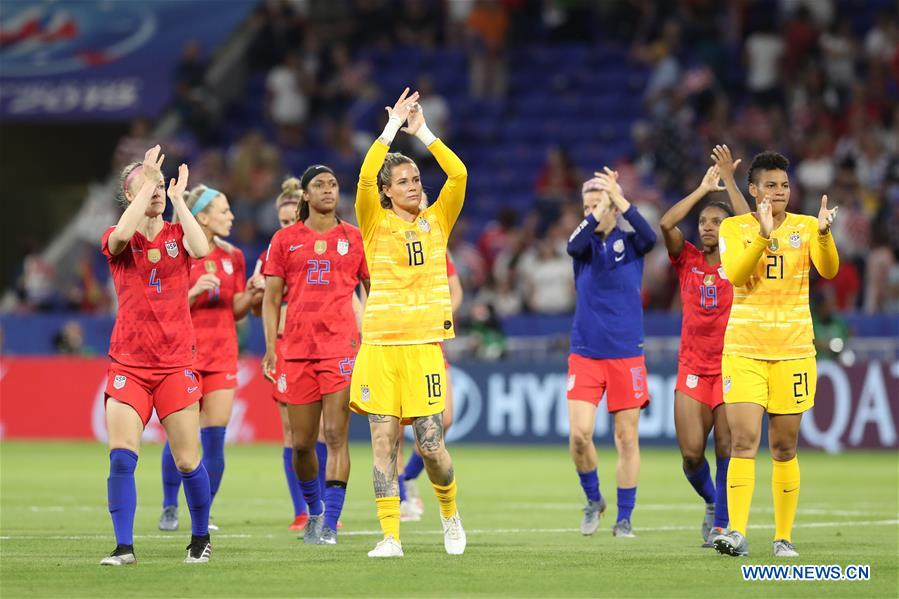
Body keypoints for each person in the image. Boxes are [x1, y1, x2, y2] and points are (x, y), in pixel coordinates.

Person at [350, 88, 467, 558]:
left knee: (431, 445)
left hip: (423, 348)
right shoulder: (373, 223)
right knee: (383, 442)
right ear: (387, 191)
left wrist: (423, 133)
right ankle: (390, 537)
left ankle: (450, 515)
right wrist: (391, 129)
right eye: (403, 181)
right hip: (380, 347)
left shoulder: (438, 220)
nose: (414, 186)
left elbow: (458, 174)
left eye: (416, 178)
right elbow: (364, 176)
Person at [713, 151, 839, 558]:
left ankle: (783, 537)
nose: (780, 191)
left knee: (784, 447)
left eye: (784, 185)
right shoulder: (734, 227)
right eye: (770, 185)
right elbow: (736, 275)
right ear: (753, 190)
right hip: (744, 351)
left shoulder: (806, 226)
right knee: (743, 441)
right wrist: (764, 236)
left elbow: (829, 270)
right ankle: (736, 531)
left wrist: (824, 235)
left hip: (794, 351)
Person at [99, 146, 212, 565]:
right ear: (130, 195)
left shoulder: (178, 235)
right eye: (148, 186)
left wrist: (180, 200)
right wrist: (147, 181)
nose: (157, 191)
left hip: (175, 365)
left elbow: (201, 250)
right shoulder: (118, 238)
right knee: (122, 456)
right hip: (128, 365)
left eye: (161, 185)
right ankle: (124, 547)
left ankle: (200, 538)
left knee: (187, 460)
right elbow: (121, 236)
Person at [261, 165, 369, 545]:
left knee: (336, 435)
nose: (328, 190)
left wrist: (372, 336)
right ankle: (314, 511)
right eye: (319, 185)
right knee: (302, 444)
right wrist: (271, 348)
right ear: (305, 195)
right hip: (297, 351)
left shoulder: (354, 238)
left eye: (333, 184)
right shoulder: (285, 239)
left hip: (340, 349)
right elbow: (271, 299)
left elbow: (372, 288)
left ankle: (330, 523)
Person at [658, 145, 751, 548]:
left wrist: (729, 181)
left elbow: (750, 224)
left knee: (727, 447)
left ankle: (722, 526)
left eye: (716, 221)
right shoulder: (688, 259)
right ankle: (713, 502)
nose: (708, 227)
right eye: (703, 221)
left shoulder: (741, 264)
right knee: (692, 455)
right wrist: (702, 190)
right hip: (693, 369)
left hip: (730, 367)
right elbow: (666, 223)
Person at [157, 185, 257, 532]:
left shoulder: (234, 256)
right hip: (183, 357)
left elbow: (236, 310)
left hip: (223, 355)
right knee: (181, 437)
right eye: (224, 210)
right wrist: (193, 292)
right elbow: (161, 308)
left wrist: (252, 292)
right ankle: (170, 505)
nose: (231, 216)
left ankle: (204, 511)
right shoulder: (178, 253)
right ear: (202, 217)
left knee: (215, 438)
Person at [566, 167, 657, 539]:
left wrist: (617, 198)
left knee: (626, 438)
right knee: (579, 435)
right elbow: (572, 244)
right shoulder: (583, 247)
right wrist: (597, 211)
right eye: (587, 207)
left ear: (616, 209)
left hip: (625, 352)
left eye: (599, 205)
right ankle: (593, 499)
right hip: (586, 353)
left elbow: (651, 237)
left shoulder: (632, 244)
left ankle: (625, 518)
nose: (592, 212)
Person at [249, 180, 308, 531]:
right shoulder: (270, 255)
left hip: (320, 344)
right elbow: (259, 308)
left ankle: (326, 508)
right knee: (292, 433)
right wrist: (257, 292)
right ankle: (302, 511)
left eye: (292, 220)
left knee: (326, 432)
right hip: (286, 346)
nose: (287, 227)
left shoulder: (321, 248)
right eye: (282, 221)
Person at [398, 252, 463, 521]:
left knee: (444, 420)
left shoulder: (436, 247)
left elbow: (455, 291)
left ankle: (408, 476)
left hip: (429, 340)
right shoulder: (384, 243)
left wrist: (441, 316)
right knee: (393, 429)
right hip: (394, 339)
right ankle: (402, 498)